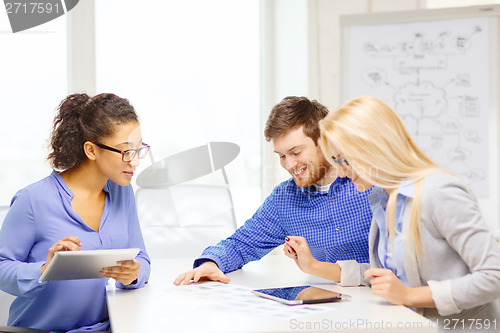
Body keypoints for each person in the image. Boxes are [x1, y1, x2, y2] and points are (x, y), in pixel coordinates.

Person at [285, 96, 500, 325]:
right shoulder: (384, 200)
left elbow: (493, 276)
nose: (341, 173)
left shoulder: (439, 192)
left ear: (373, 147)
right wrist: (314, 267)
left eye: (343, 160)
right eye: (336, 161)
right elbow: (393, 277)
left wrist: (408, 296)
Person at [174, 96, 373, 285]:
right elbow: (242, 243)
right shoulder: (285, 198)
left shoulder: (369, 182)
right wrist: (212, 263)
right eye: (281, 156)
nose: (290, 164)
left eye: (296, 152)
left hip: (384, 300)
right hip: (329, 302)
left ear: (324, 142)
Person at [0, 93, 151, 332]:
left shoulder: (123, 193)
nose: (135, 162)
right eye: (125, 151)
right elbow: (2, 267)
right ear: (91, 150)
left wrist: (133, 274)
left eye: (138, 149)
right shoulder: (33, 200)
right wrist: (44, 269)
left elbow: (141, 258)